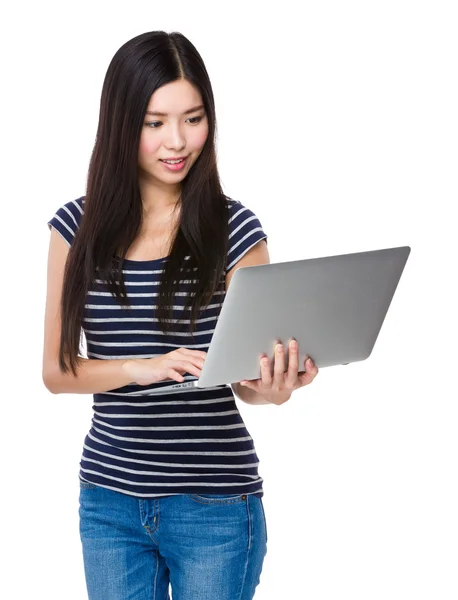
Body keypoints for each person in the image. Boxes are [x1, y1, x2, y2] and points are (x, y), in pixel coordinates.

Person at [42, 30, 319, 600]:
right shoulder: (75, 229)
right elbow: (57, 371)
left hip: (215, 508)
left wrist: (278, 384)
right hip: (109, 502)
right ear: (122, 124)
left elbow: (253, 386)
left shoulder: (235, 231)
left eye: (193, 119)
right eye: (154, 122)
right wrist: (140, 367)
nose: (177, 141)